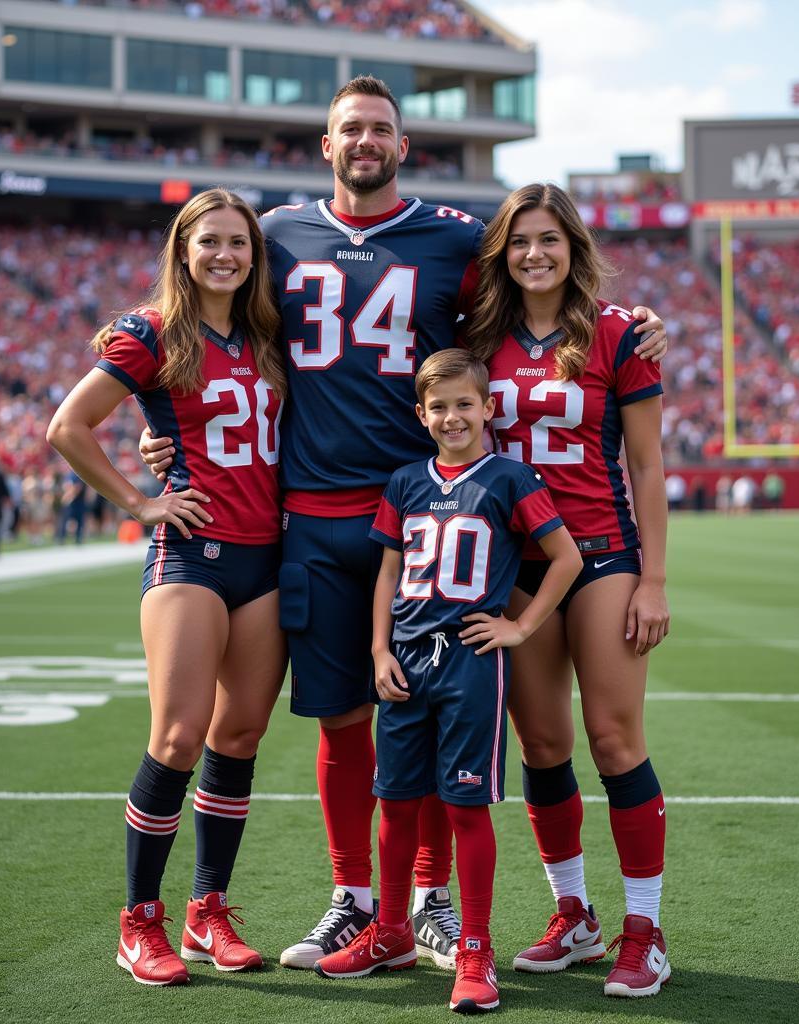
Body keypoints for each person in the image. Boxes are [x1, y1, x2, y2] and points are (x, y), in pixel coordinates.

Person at [139, 75, 668, 972]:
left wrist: (639, 322)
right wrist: (161, 436)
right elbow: (200, 310)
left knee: (430, 711)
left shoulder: (459, 242)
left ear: (402, 143)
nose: (365, 142)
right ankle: (354, 899)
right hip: (309, 513)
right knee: (347, 719)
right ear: (327, 143)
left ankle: (425, 901)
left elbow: (533, 287)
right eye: (350, 128)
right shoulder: (271, 238)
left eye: (380, 128)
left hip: (433, 517)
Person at [47, 188, 288, 986]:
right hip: (192, 553)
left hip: (269, 558)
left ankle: (206, 912)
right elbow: (68, 427)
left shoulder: (269, 330)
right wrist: (140, 499)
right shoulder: (152, 330)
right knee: (179, 735)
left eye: (240, 243)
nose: (226, 255)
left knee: (241, 735)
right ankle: (138, 921)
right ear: (183, 251)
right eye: (210, 241)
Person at [313, 349, 582, 1015]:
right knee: (397, 803)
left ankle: (476, 949)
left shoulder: (511, 477)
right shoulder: (405, 481)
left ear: (489, 408)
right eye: (440, 406)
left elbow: (567, 557)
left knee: (464, 809)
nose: (453, 416)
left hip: (468, 661)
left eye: (465, 404)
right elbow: (387, 573)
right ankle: (393, 932)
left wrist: (519, 630)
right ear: (421, 414)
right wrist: (378, 649)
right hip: (405, 660)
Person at [466, 183, 672, 998]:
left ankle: (645, 930)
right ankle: (575, 914)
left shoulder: (619, 334)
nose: (535, 254)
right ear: (502, 254)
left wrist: (653, 578)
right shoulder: (479, 336)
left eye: (549, 239)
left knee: (615, 738)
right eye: (519, 242)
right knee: (543, 747)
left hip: (601, 554)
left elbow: (648, 466)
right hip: (513, 566)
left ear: (573, 246)